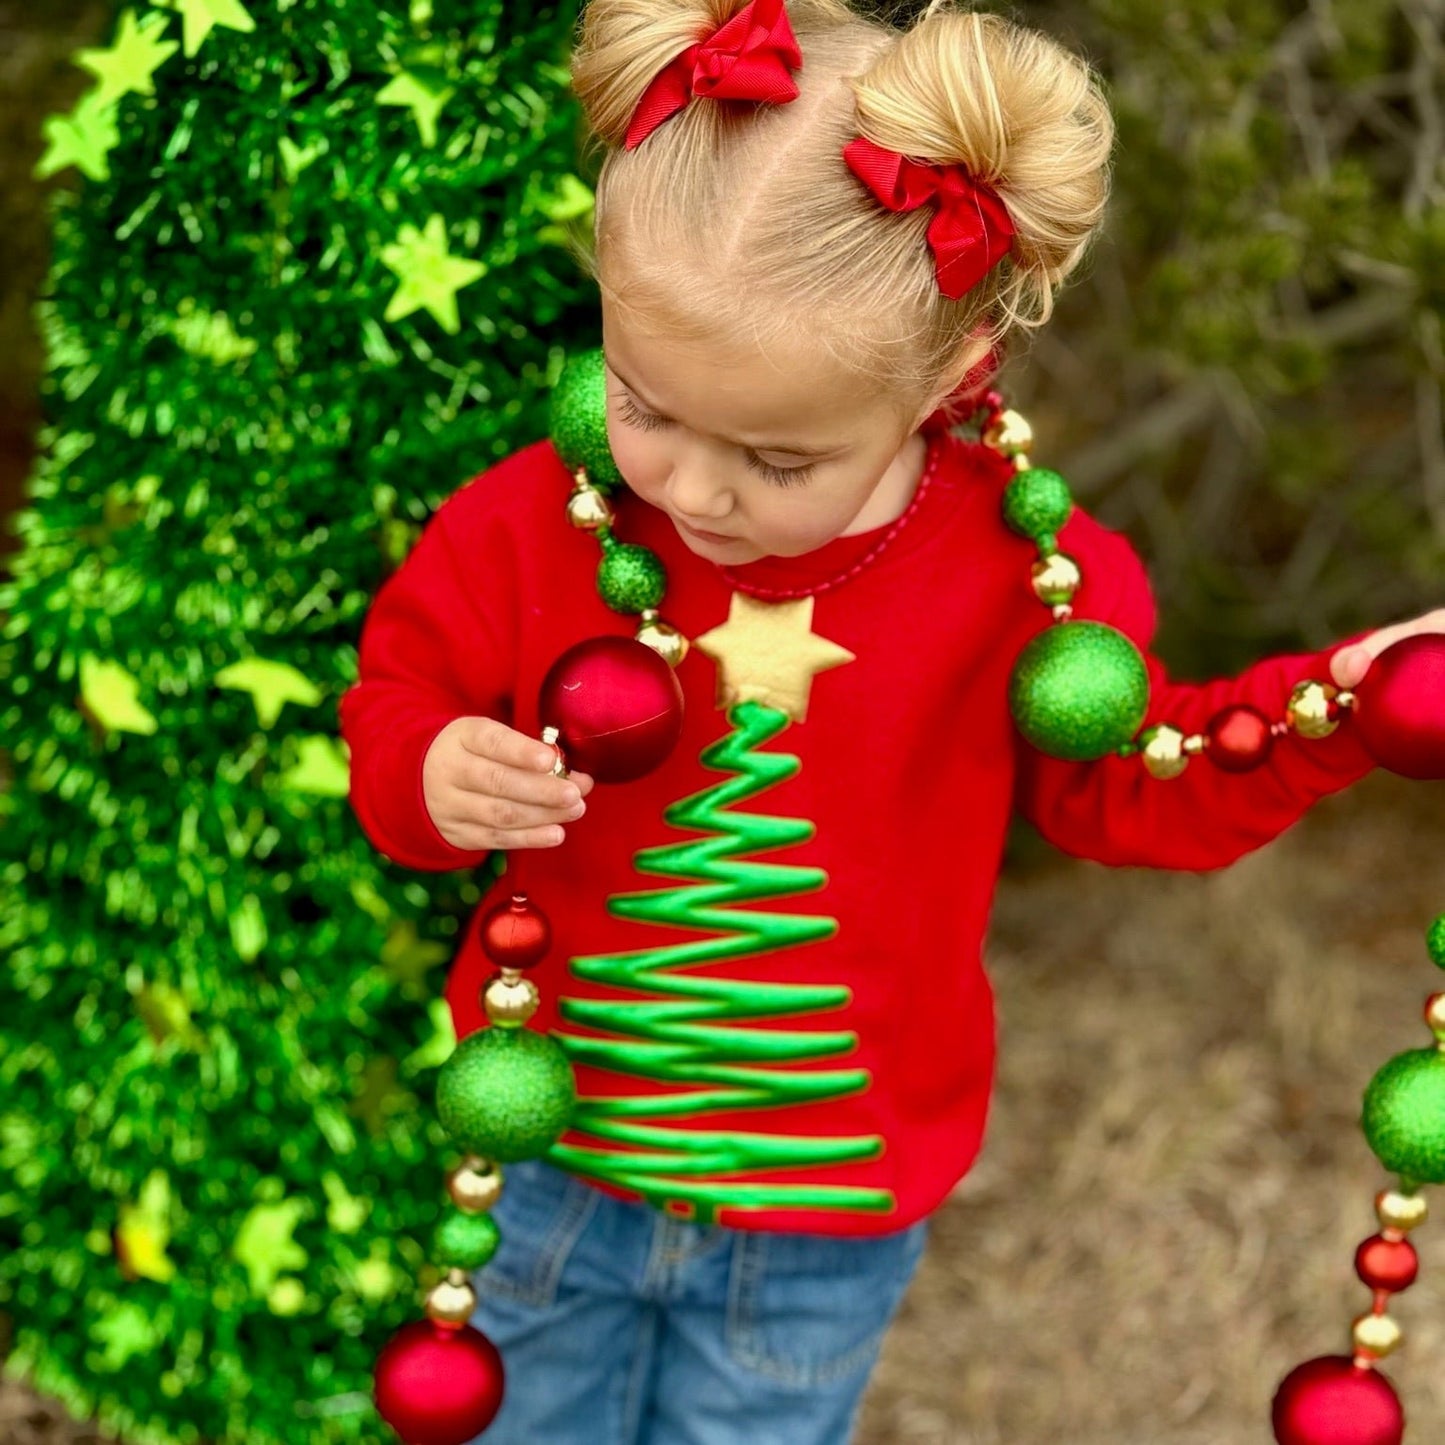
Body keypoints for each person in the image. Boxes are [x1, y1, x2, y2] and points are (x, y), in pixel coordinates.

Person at [338, 1, 1440, 1440]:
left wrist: (1342, 705)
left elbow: (1137, 782)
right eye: (642, 402)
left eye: (776, 455)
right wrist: (430, 767)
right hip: (548, 1162)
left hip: (828, 1211)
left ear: (953, 365)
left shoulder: (1017, 572)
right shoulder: (538, 523)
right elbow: (396, 702)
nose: (692, 491)